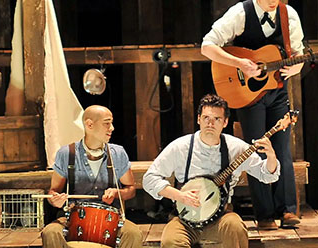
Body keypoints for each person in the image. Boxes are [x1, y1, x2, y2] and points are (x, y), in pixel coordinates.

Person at [200, 0, 303, 229]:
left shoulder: (287, 15)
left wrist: (298, 65)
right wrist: (239, 63)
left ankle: (288, 210)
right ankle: (265, 213)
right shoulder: (240, 13)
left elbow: (299, 53)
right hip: (246, 94)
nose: (272, 0)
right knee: (256, 149)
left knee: (282, 148)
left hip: (276, 90)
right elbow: (207, 46)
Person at [142, 94, 279, 248]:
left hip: (221, 217)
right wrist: (179, 195)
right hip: (185, 219)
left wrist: (271, 155)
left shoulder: (236, 148)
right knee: (171, 241)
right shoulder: (180, 147)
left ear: (225, 122)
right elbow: (149, 178)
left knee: (236, 228)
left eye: (217, 119)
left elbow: (267, 175)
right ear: (198, 119)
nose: (210, 123)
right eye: (206, 118)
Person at [41, 105, 141, 248]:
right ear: (89, 124)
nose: (111, 128)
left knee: (133, 234)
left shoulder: (117, 153)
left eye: (111, 123)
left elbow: (131, 189)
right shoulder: (67, 153)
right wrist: (55, 200)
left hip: (111, 218)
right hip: (74, 216)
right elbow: (53, 192)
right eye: (107, 123)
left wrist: (116, 193)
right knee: (51, 232)